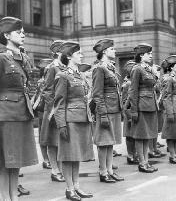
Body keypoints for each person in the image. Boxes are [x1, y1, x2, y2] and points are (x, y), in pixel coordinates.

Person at [0, 16, 38, 201]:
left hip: (22, 112)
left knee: (15, 161)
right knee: (4, 161)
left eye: (23, 32)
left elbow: (28, 85)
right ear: (6, 35)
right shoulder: (1, 58)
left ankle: (13, 196)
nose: (23, 34)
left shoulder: (23, 57)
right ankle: (5, 197)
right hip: (5, 115)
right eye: (18, 32)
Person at [52, 41, 94, 200]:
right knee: (68, 156)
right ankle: (69, 189)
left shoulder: (80, 75)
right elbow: (59, 102)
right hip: (70, 120)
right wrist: (61, 124)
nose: (81, 55)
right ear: (69, 56)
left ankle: (77, 186)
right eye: (78, 53)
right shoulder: (62, 75)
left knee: (76, 155)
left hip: (82, 118)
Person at [91, 39, 124, 183]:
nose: (114, 51)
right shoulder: (100, 68)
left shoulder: (110, 67)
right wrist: (102, 114)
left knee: (110, 142)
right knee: (104, 142)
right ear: (104, 51)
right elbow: (97, 94)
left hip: (114, 109)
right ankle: (103, 171)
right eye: (112, 49)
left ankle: (110, 170)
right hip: (106, 110)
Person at [129, 43, 159, 173]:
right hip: (141, 106)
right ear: (142, 55)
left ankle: (146, 161)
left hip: (150, 105)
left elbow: (154, 84)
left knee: (147, 136)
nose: (151, 56)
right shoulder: (137, 69)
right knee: (140, 136)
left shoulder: (148, 69)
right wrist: (134, 110)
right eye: (149, 54)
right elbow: (133, 91)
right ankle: (142, 163)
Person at [40, 40, 66, 182]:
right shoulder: (52, 68)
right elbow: (47, 91)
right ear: (58, 52)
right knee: (52, 141)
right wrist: (53, 110)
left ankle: (60, 169)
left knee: (60, 141)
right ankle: (55, 170)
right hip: (53, 111)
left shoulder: (63, 67)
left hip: (62, 109)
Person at [122, 60, 139, 165]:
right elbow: (125, 101)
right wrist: (128, 115)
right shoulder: (127, 84)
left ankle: (134, 154)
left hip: (134, 111)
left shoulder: (132, 82)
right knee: (129, 135)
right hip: (129, 112)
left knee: (135, 135)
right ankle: (130, 155)